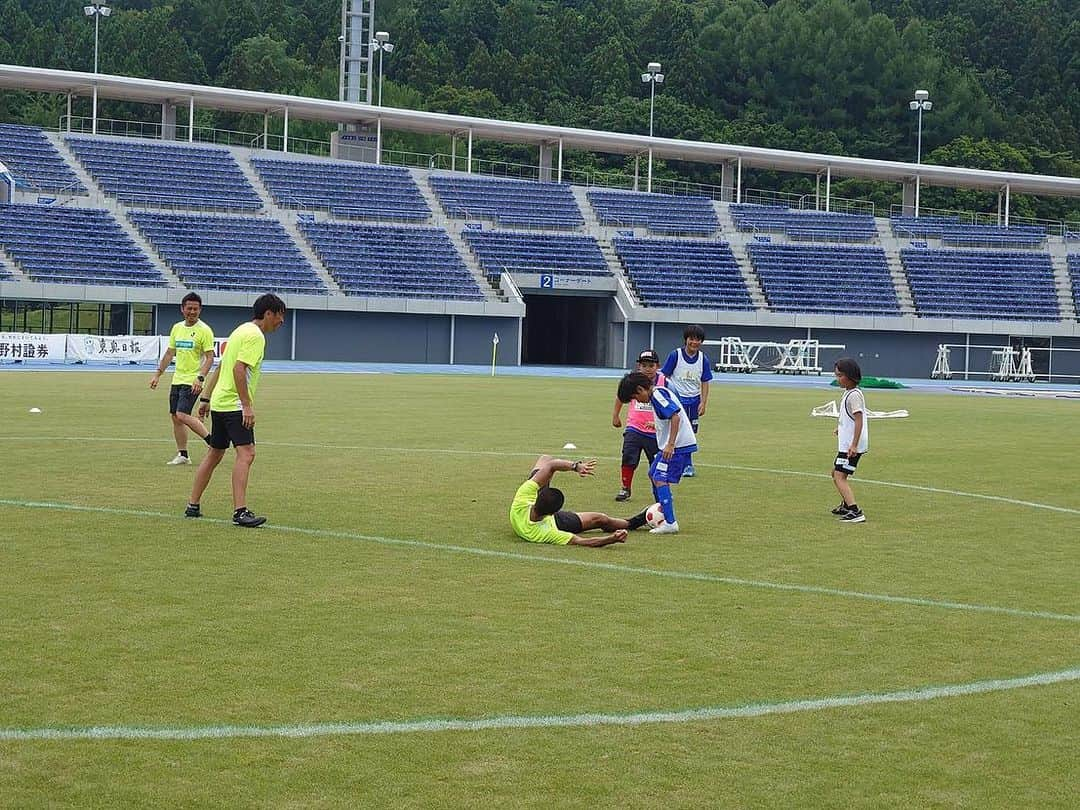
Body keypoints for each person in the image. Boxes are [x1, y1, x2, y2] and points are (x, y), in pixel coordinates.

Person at [184, 293, 287, 528]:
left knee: (215, 453)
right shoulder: (255, 336)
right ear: (268, 313)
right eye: (280, 316)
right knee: (247, 453)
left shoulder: (240, 330)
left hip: (220, 402)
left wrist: (207, 398)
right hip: (233, 405)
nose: (281, 322)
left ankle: (193, 504)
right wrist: (247, 405)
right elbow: (239, 369)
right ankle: (240, 511)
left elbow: (223, 365)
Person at [617, 371, 698, 534]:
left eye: (634, 397)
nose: (637, 401)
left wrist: (670, 444)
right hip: (676, 444)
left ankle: (670, 522)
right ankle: (661, 509)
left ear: (641, 389)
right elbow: (670, 418)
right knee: (653, 473)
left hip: (678, 446)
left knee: (660, 478)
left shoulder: (657, 395)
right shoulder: (658, 394)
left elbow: (675, 417)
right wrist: (657, 426)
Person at [509, 455, 649, 547]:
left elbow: (551, 465)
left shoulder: (522, 498)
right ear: (553, 513)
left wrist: (576, 466)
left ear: (536, 496)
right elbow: (581, 541)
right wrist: (612, 539)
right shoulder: (545, 532)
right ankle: (633, 522)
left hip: (535, 515)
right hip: (557, 523)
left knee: (545, 459)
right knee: (600, 518)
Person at [149, 292, 215, 465]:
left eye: (195, 309)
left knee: (182, 414)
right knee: (175, 417)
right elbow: (170, 353)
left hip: (192, 380)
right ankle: (183, 454)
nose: (192, 312)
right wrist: (157, 374)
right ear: (182, 309)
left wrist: (200, 378)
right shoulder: (177, 328)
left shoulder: (204, 330)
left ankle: (213, 442)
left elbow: (210, 358)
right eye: (189, 308)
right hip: (177, 379)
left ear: (200, 310)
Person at [611, 349, 666, 502]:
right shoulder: (633, 381)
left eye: (651, 365)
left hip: (655, 431)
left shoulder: (664, 381)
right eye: (644, 365)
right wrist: (615, 415)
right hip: (634, 426)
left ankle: (658, 491)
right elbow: (620, 396)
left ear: (658, 366)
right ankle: (625, 487)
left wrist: (659, 424)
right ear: (638, 366)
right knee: (628, 456)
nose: (647, 369)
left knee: (655, 463)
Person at [660, 325, 713, 477]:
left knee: (689, 434)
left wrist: (703, 402)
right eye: (691, 339)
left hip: (694, 401)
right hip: (677, 401)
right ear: (686, 340)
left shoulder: (703, 359)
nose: (694, 342)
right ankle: (671, 462)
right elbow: (664, 377)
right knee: (673, 432)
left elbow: (705, 381)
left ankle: (687, 465)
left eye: (698, 340)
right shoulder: (675, 355)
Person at [831, 357, 868, 523]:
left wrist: (853, 444)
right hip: (847, 444)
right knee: (835, 473)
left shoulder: (854, 395)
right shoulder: (849, 393)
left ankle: (855, 510)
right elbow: (850, 418)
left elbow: (859, 419)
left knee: (839, 476)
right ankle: (846, 505)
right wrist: (841, 427)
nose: (837, 379)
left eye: (840, 375)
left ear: (850, 376)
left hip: (851, 447)